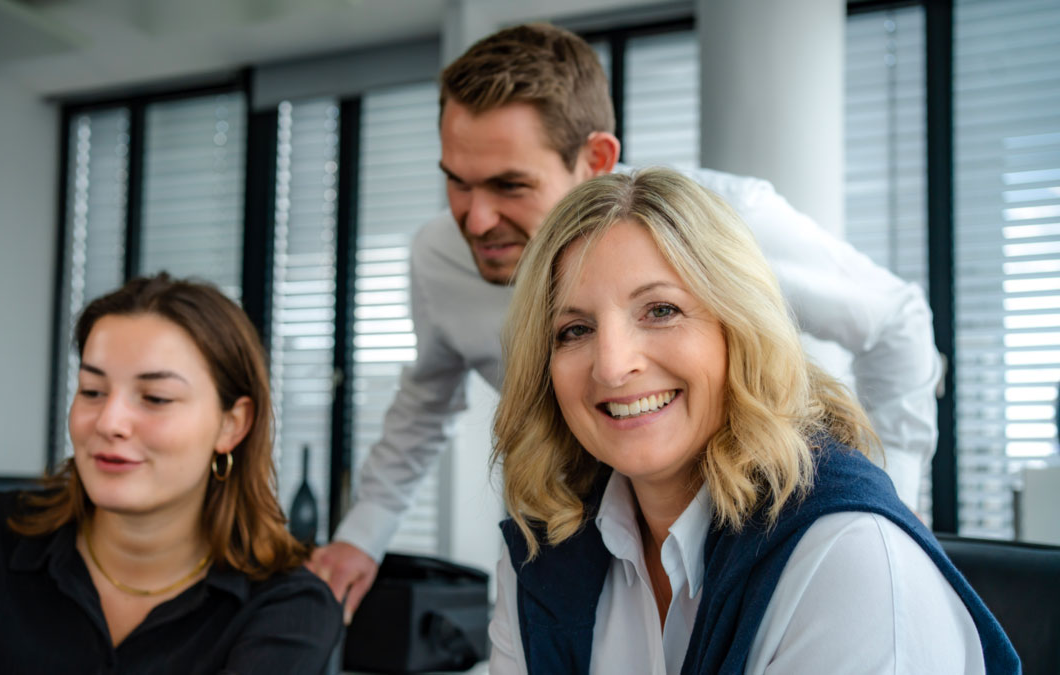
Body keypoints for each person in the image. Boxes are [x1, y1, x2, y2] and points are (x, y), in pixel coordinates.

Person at [309, 22, 942, 621]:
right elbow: (425, 399)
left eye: (509, 185)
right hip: (591, 532)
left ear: (596, 158)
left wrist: (888, 503)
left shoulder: (714, 224)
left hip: (761, 513)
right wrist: (361, 538)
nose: (475, 220)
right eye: (457, 182)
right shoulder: (437, 257)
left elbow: (897, 323)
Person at [488, 168, 1015, 674]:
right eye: (575, 330)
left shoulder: (848, 560)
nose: (611, 364)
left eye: (661, 310)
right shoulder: (537, 559)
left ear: (739, 328)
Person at [0, 274, 341, 675]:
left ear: (232, 424)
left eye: (155, 398)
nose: (109, 422)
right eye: (92, 391)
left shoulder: (288, 609)